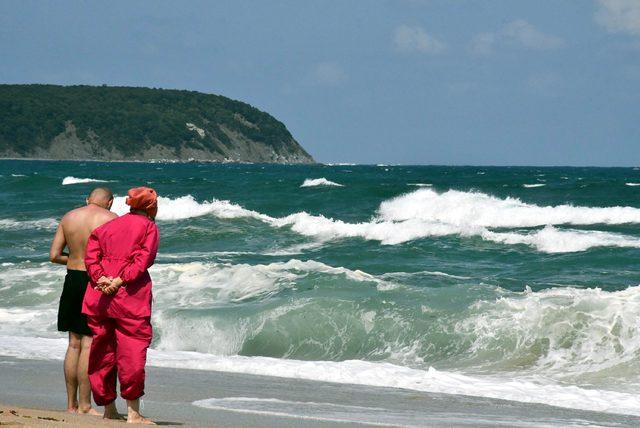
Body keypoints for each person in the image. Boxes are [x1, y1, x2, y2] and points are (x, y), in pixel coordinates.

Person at [82, 186, 160, 425]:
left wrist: (101, 277)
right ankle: (134, 413)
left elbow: (90, 257)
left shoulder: (107, 226)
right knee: (132, 352)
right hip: (129, 299)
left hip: (99, 296)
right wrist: (118, 280)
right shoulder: (149, 227)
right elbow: (143, 260)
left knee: (102, 353)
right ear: (150, 207)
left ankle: (109, 410)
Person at [49, 187, 118, 415]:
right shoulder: (111, 219)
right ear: (110, 202)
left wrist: (76, 260)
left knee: (73, 343)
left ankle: (71, 405)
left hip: (72, 279)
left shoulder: (69, 217)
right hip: (95, 281)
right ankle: (86, 405)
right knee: (89, 343)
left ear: (87, 199)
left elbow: (54, 255)